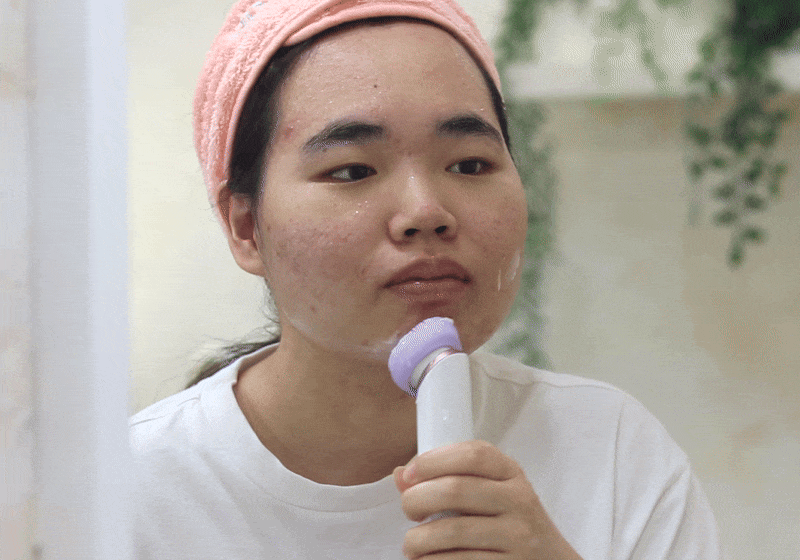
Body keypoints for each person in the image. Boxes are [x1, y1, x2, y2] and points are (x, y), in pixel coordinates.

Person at [129, 1, 725, 558]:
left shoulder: (611, 453)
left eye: (470, 164)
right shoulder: (129, 492)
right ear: (245, 227)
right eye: (352, 171)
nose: (425, 212)